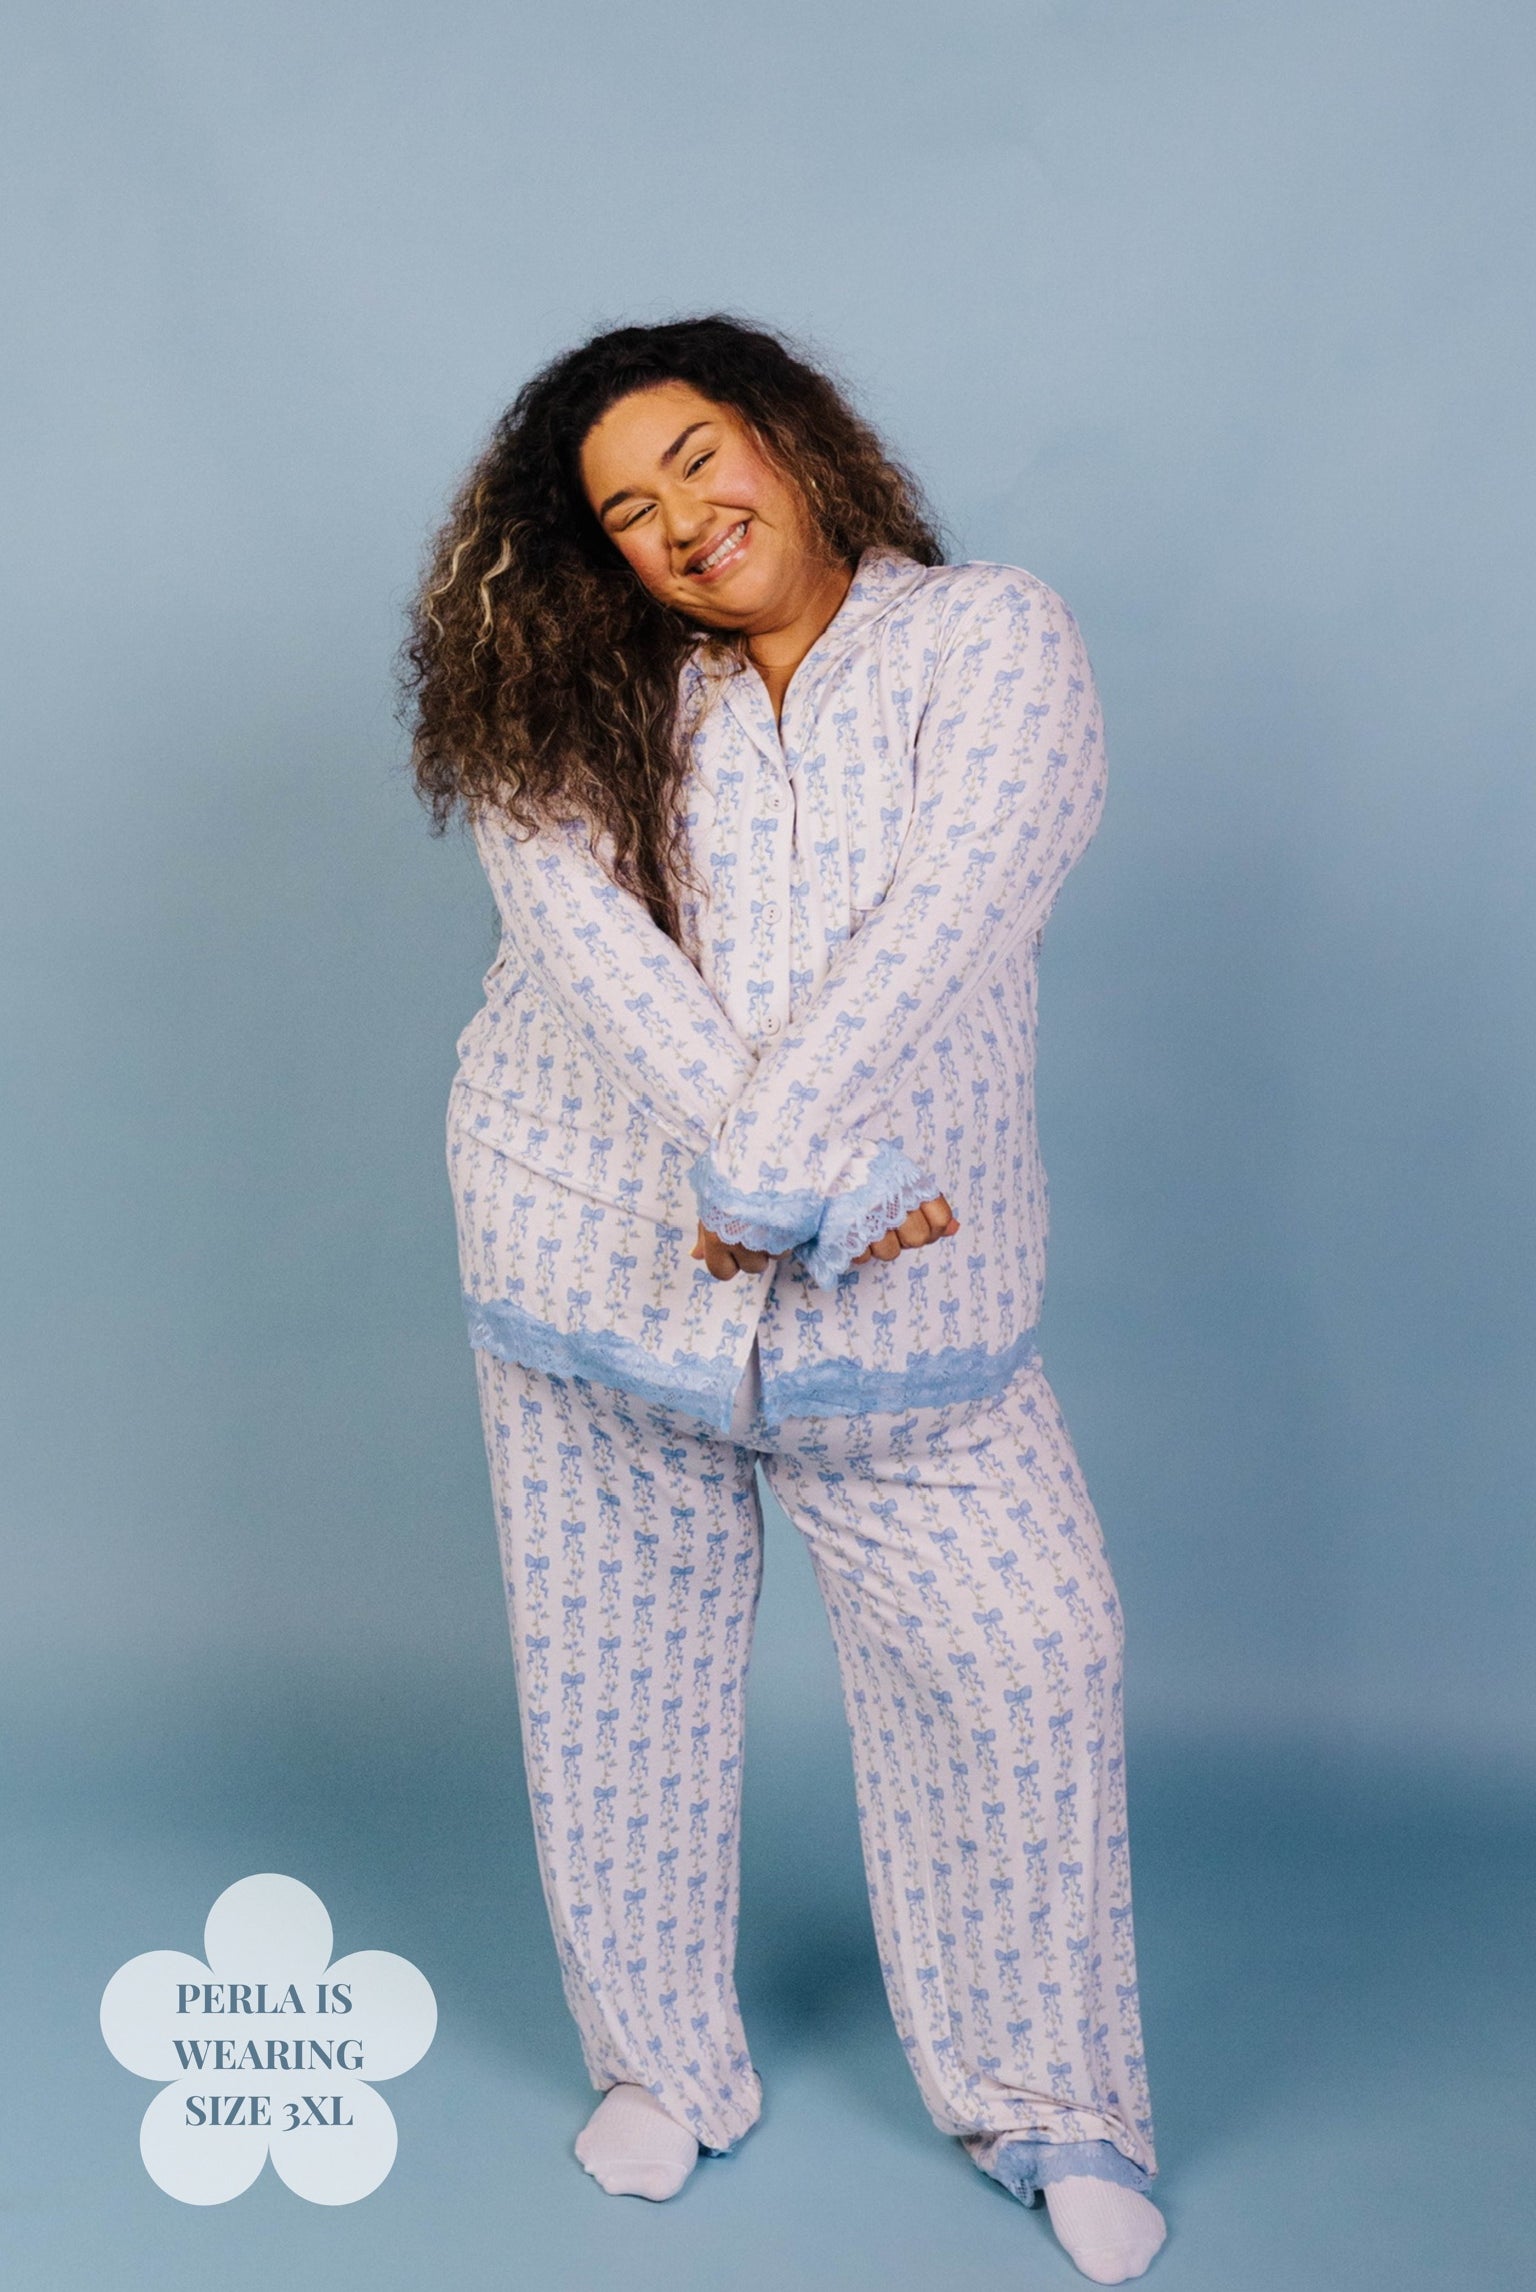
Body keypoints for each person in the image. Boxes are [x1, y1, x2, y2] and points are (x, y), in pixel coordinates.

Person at [402, 314, 1166, 2284]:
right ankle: (659, 2062)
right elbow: (588, 962)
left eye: (700, 457)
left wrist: (789, 1169)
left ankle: (1053, 2101)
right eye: (629, 510)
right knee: (611, 1686)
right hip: (592, 1245)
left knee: (1029, 1659)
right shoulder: (567, 699)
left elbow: (963, 908)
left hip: (916, 1300)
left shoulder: (990, 637)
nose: (679, 519)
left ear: (798, 438)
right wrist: (780, 1175)